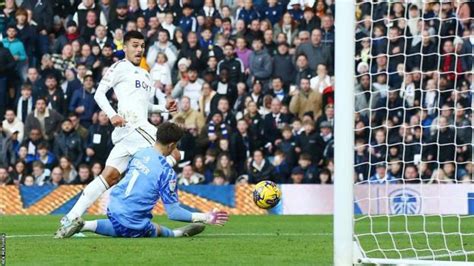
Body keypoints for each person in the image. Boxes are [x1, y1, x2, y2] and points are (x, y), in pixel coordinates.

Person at [55, 31, 179, 238]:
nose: (139, 49)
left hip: (134, 129)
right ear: (126, 47)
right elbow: (98, 93)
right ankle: (162, 195)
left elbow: (143, 105)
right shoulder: (120, 67)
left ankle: (70, 218)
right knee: (174, 153)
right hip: (133, 126)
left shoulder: (145, 74)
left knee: (109, 176)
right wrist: (112, 115)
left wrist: (163, 108)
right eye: (135, 45)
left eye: (142, 46)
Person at [60, 122, 228, 238]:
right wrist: (205, 217)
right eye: (176, 145)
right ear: (171, 146)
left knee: (123, 225)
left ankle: (84, 225)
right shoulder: (167, 173)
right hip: (131, 220)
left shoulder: (140, 152)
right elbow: (173, 213)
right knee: (153, 230)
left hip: (113, 206)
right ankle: (176, 234)